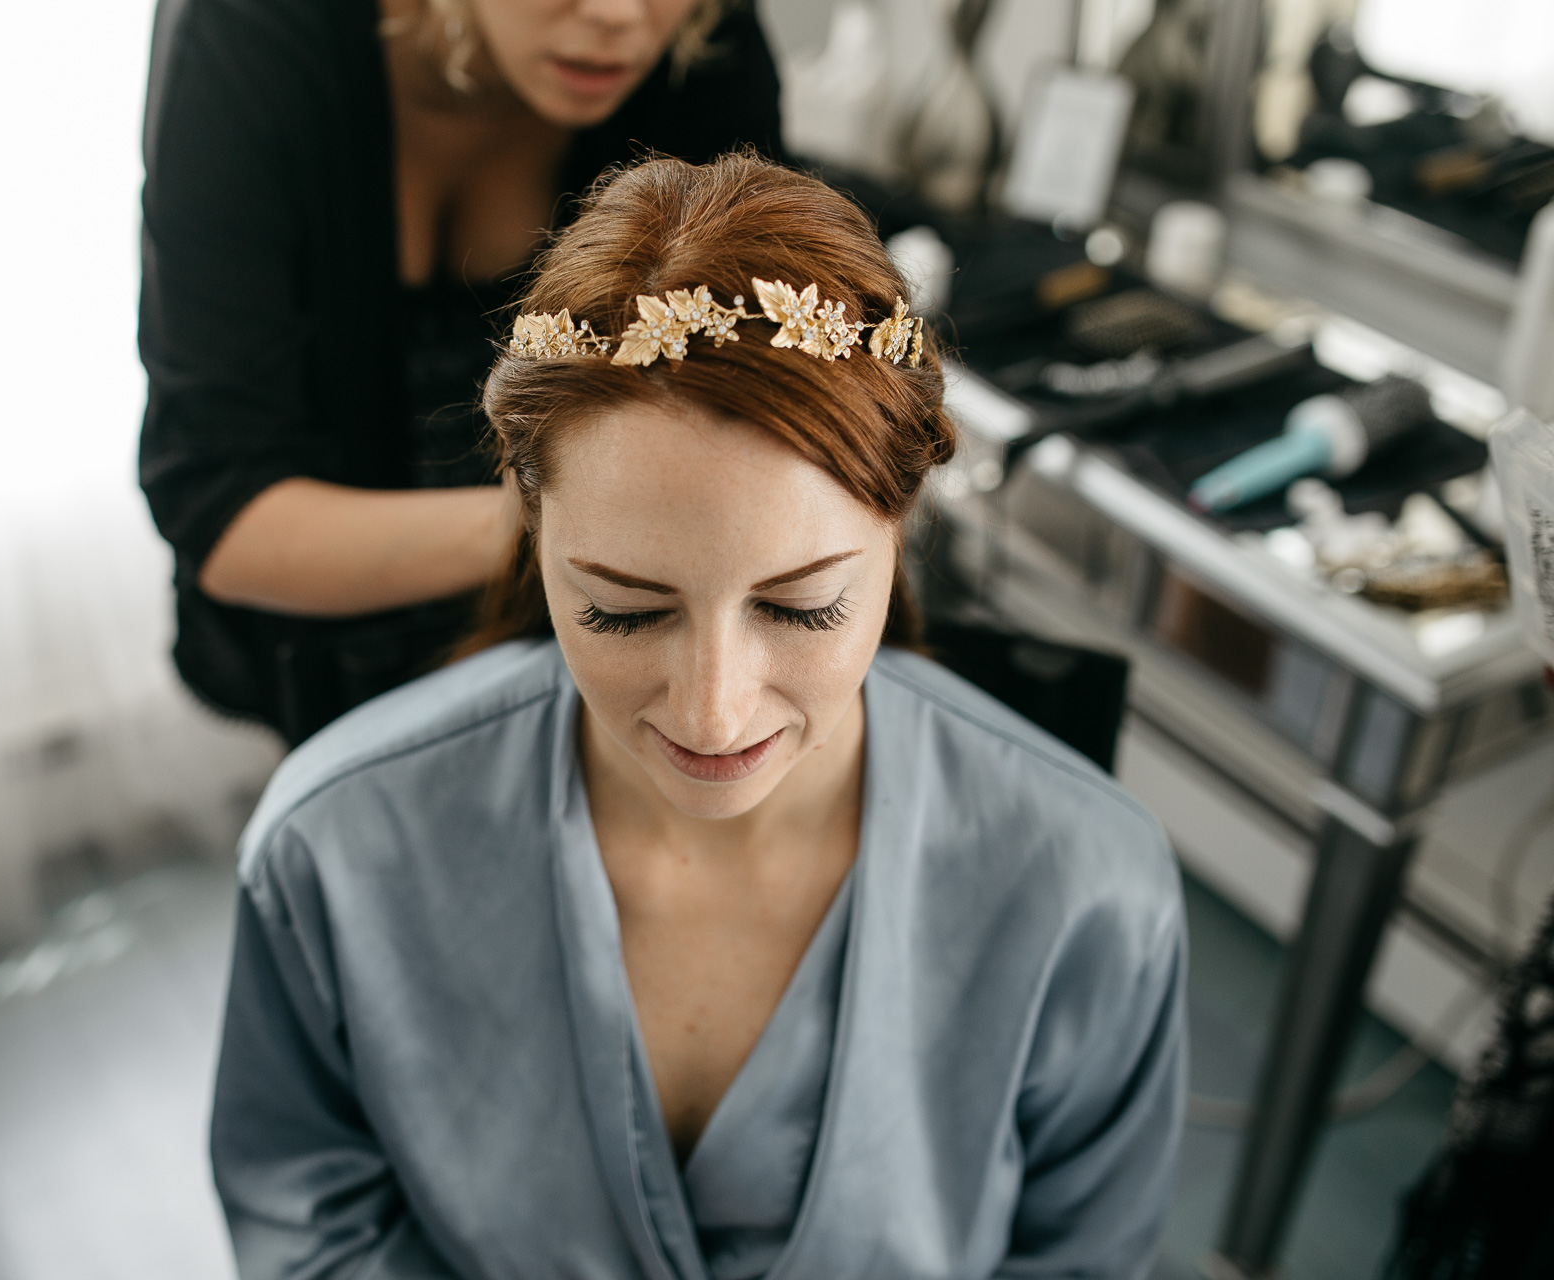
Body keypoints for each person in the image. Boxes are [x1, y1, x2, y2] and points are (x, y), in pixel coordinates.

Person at [209, 153, 1188, 1279]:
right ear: (529, 526)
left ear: (903, 521)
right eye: (623, 611)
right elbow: (311, 1236)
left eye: (804, 605)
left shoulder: (1091, 887)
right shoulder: (331, 854)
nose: (714, 714)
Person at [138, 0, 784, 744]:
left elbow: (747, 378)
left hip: (618, 643)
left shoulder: (704, 40)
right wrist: (554, 523)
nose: (614, 13)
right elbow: (221, 507)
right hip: (339, 641)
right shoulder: (251, 29)